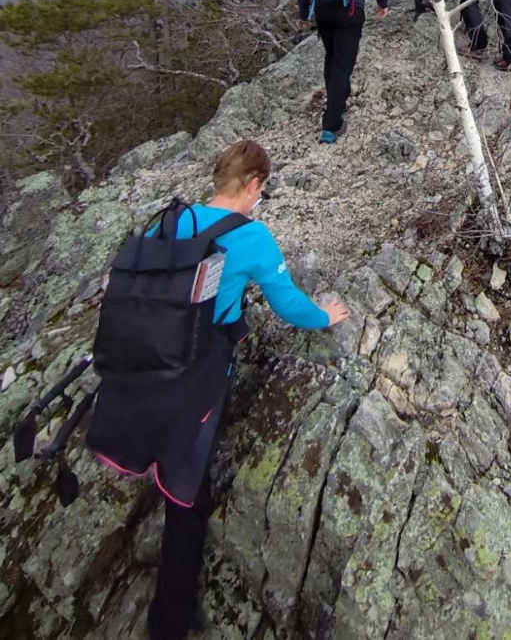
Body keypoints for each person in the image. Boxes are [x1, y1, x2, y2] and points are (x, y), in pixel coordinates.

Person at [88, 140, 349, 640]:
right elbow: (288, 305)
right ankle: (169, 619)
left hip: (146, 363)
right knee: (187, 495)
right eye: (262, 191)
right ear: (252, 185)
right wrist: (325, 317)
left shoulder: (175, 219)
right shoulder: (251, 237)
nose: (260, 200)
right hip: (197, 376)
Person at [297, 0, 389, 143]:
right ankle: (332, 124)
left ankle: (339, 97)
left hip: (322, 10)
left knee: (331, 57)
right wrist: (382, 2)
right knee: (342, 64)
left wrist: (303, 13)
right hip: (349, 9)